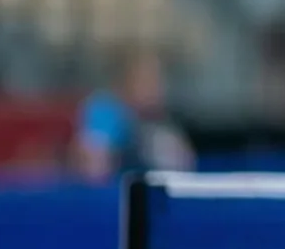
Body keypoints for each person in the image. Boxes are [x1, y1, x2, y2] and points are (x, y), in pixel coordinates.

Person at [73, 48, 195, 182]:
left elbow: (182, 167)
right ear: (126, 82)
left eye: (159, 80)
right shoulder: (104, 111)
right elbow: (93, 170)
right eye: (148, 80)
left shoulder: (160, 123)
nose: (157, 88)